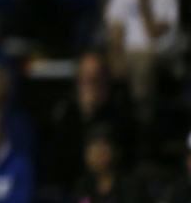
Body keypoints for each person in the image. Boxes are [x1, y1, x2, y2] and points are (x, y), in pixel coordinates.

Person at [41, 52, 136, 190]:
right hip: (68, 187)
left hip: (107, 192)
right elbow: (56, 159)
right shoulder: (65, 112)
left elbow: (124, 160)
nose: (90, 82)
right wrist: (85, 115)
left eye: (96, 76)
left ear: (105, 78)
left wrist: (93, 114)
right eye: (85, 76)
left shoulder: (120, 112)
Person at [104, 0, 180, 110]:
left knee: (143, 62)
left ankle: (143, 115)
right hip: (128, 53)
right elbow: (115, 30)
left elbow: (154, 33)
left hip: (159, 53)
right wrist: (115, 58)